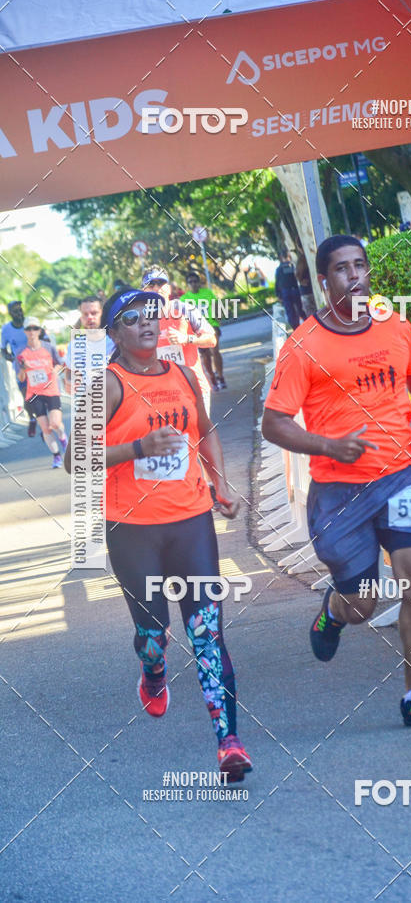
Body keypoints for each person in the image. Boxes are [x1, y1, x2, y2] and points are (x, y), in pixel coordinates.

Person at [262, 235, 411, 729]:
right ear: (324, 281)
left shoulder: (395, 326)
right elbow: (274, 423)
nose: (354, 276)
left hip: (403, 475)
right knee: (363, 603)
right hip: (340, 493)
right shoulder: (303, 346)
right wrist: (328, 446)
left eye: (360, 266)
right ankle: (333, 611)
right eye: (342, 269)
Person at [65, 288, 252, 781]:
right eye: (131, 318)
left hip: (191, 521)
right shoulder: (106, 385)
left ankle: (228, 742)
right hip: (132, 530)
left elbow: (205, 430)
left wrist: (221, 483)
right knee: (154, 633)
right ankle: (151, 669)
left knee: (207, 631)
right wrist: (137, 448)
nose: (146, 323)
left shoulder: (184, 374)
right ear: (114, 333)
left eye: (152, 314)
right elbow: (71, 461)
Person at [141, 267, 216, 416]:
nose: (156, 288)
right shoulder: (140, 320)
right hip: (163, 394)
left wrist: (187, 338)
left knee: (199, 438)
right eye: (151, 285)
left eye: (160, 283)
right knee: (174, 439)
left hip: (193, 388)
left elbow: (211, 340)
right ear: (144, 291)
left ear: (168, 288)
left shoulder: (185, 309)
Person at [17, 316, 67, 468]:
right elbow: (20, 378)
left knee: (55, 423)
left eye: (34, 328)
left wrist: (54, 370)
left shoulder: (48, 347)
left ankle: (63, 437)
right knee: (45, 428)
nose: (31, 332)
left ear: (39, 331)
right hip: (34, 394)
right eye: (28, 329)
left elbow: (60, 364)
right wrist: (23, 368)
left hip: (51, 390)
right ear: (25, 332)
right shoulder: (21, 352)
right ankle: (56, 456)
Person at [181, 271, 227, 390]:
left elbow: (216, 306)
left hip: (211, 325)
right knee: (205, 356)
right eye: (190, 282)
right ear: (187, 285)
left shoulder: (207, 293)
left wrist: (218, 318)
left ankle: (221, 376)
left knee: (215, 351)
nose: (193, 284)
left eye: (195, 281)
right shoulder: (184, 299)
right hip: (196, 330)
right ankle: (212, 378)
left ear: (199, 283)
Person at [64, 296, 115, 394]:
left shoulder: (115, 342)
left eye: (94, 313)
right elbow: (70, 370)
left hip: (112, 401)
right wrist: (69, 381)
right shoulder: (74, 345)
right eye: (85, 314)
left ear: (102, 314)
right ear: (81, 317)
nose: (90, 317)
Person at [1, 299, 36, 436]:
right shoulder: (6, 330)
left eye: (20, 310)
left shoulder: (30, 323)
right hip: (20, 368)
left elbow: (44, 337)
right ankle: (32, 419)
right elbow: (3, 350)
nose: (19, 313)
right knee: (26, 396)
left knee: (40, 395)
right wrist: (11, 358)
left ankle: (43, 416)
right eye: (15, 311)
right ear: (10, 313)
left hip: (38, 365)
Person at [275, 248, 305, 330]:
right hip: (295, 290)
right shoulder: (293, 266)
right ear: (289, 256)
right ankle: (306, 324)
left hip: (285, 292)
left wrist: (278, 294)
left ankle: (295, 328)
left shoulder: (279, 269)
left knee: (290, 311)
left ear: (281, 257)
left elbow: (277, 283)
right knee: (300, 309)